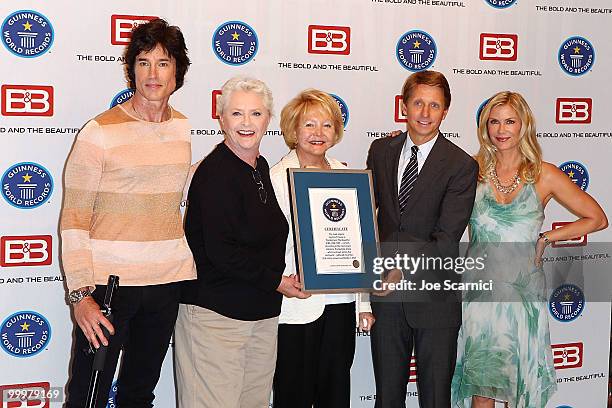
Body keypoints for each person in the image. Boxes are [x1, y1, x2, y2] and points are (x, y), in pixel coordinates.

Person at [60, 19, 194, 408]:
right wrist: (81, 295)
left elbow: (170, 191)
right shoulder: (98, 131)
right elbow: (74, 219)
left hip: (166, 283)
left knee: (139, 395)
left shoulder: (183, 128)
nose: (153, 73)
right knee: (88, 397)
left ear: (177, 72)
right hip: (108, 288)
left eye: (164, 62)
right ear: (131, 69)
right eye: (144, 62)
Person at [451, 91, 608, 408]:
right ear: (485, 127)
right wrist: (405, 148)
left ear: (524, 125)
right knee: (483, 387)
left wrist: (549, 236)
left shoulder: (543, 174)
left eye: (510, 121)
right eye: (494, 121)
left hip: (524, 295)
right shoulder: (471, 171)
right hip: (480, 292)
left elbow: (597, 218)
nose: (501, 129)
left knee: (520, 383)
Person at [175, 77, 307, 408]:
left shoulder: (260, 166)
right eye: (237, 114)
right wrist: (278, 282)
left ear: (268, 119)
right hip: (216, 318)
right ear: (221, 119)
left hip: (260, 316)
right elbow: (223, 252)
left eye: (256, 114)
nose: (246, 123)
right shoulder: (215, 172)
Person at [366, 70, 479, 408]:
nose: (425, 113)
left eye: (434, 105)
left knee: (434, 399)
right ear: (404, 106)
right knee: (387, 398)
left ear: (445, 111)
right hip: (386, 298)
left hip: (435, 299)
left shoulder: (461, 165)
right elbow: (366, 215)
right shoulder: (380, 151)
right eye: (418, 103)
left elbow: (446, 239)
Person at [269, 89, 376, 407]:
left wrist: (364, 304)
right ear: (293, 129)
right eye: (309, 125)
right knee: (293, 394)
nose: (318, 133)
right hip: (297, 302)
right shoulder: (276, 178)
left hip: (341, 303)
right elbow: (266, 246)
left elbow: (362, 243)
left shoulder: (348, 175)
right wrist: (282, 281)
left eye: (326, 125)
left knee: (335, 393)